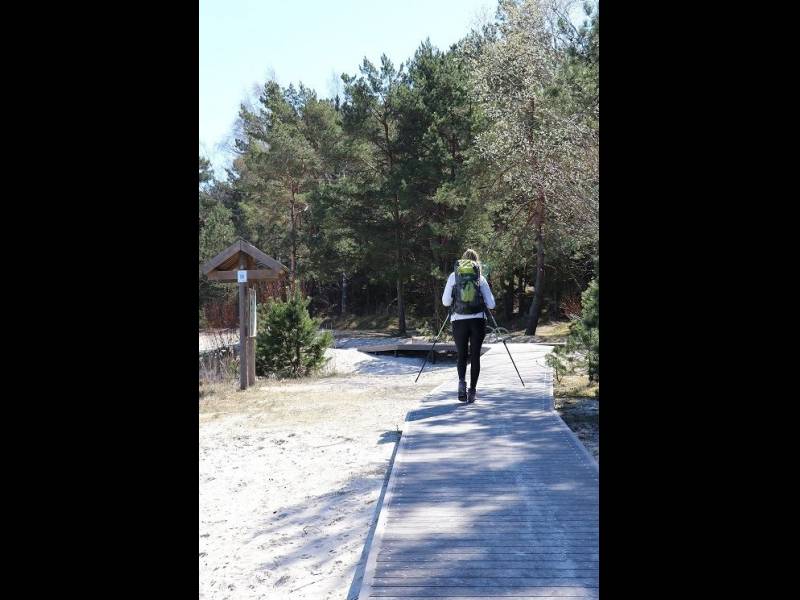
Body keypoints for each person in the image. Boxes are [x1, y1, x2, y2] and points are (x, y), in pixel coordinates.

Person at [442, 249, 496, 403]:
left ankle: (461, 383)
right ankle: (472, 391)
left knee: (462, 355)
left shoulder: (453, 276)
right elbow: (491, 305)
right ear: (476, 262)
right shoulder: (480, 278)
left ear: (462, 261)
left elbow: (445, 302)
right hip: (478, 320)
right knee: (475, 355)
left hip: (458, 320)